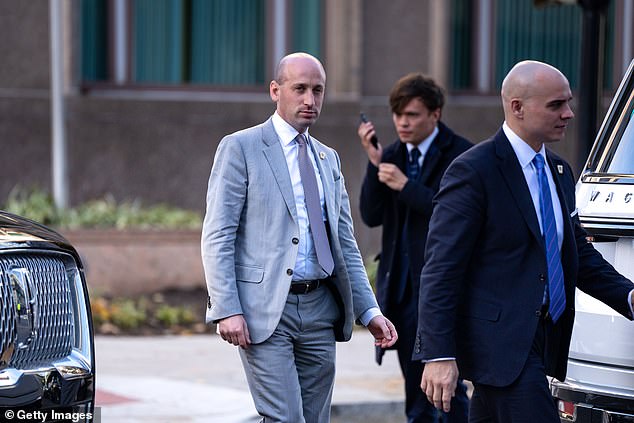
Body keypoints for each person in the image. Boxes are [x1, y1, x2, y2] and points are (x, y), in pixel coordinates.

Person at [414, 60, 634, 423]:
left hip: (543, 337)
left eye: (568, 102)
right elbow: (441, 268)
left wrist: (627, 295)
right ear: (517, 107)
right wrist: (438, 354)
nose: (569, 113)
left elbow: (575, 253)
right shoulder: (474, 170)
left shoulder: (560, 171)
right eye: (556, 105)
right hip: (500, 344)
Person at [201, 52, 398, 423]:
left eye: (318, 90)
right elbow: (218, 234)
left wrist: (369, 310)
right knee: (285, 418)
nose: (310, 100)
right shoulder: (240, 148)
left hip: (322, 309)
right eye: (300, 89)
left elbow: (345, 244)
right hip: (266, 310)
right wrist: (227, 308)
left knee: (314, 419)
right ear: (276, 91)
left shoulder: (328, 158)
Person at [358, 73, 471, 423]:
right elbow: (370, 214)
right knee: (415, 391)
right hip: (402, 293)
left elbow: (456, 216)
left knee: (447, 391)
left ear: (435, 114)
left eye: (412, 114)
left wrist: (407, 186)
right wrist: (374, 164)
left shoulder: (462, 155)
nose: (403, 123)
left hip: (440, 290)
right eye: (397, 115)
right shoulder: (392, 153)